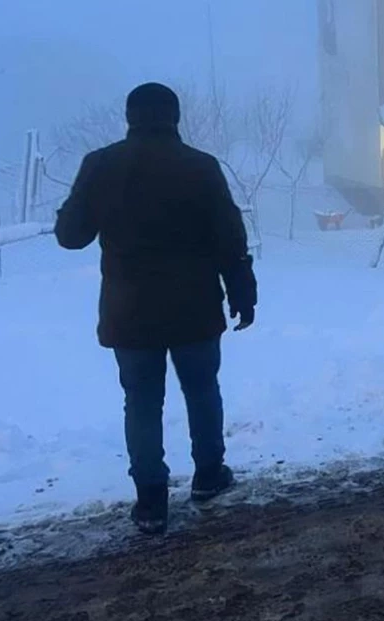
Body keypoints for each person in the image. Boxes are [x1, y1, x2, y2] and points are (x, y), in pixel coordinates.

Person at [54, 82, 259, 536]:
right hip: (195, 307)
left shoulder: (101, 164)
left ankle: (150, 501)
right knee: (202, 390)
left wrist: (73, 208)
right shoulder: (200, 166)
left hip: (130, 312)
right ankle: (209, 475)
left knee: (142, 403)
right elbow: (230, 237)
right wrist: (242, 291)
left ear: (130, 118)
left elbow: (71, 236)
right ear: (174, 117)